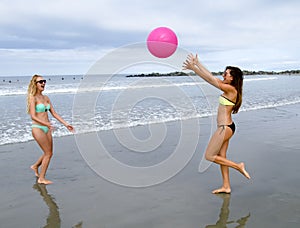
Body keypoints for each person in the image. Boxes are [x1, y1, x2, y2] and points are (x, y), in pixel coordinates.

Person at [183, 54, 250, 194]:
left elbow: (210, 80)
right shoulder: (229, 87)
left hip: (224, 128)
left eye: (226, 74)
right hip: (227, 127)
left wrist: (194, 69)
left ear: (232, 77)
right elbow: (211, 76)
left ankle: (238, 166)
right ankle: (226, 186)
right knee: (221, 157)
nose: (223, 75)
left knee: (209, 156)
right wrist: (198, 64)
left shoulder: (231, 90)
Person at [27, 74, 74, 184]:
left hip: (47, 127)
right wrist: (46, 124)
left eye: (44, 81)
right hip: (38, 128)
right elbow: (33, 116)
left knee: (49, 152)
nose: (43, 83)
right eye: (40, 81)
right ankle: (41, 178)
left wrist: (66, 124)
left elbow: (54, 113)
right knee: (48, 153)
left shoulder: (46, 98)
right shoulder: (32, 98)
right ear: (35, 84)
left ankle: (35, 166)